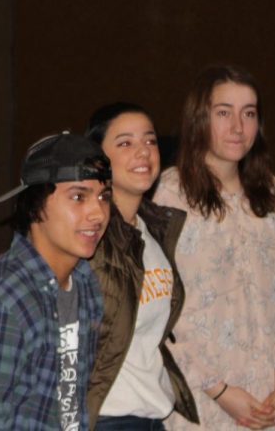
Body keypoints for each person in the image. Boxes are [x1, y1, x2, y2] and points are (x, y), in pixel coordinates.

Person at [152, 64, 275, 430]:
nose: (238, 127)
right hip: (205, 398)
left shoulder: (273, 193)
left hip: (269, 397)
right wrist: (220, 391)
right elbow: (164, 312)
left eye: (249, 113)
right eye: (223, 113)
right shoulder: (171, 193)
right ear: (199, 118)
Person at [0, 132, 112, 430]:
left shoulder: (84, 283)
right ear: (35, 206)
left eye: (103, 196)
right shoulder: (0, 304)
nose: (97, 212)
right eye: (78, 196)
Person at [83, 103, 199, 430]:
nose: (143, 152)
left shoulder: (154, 229)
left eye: (150, 141)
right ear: (97, 159)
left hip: (151, 414)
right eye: (125, 143)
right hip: (107, 416)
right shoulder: (90, 233)